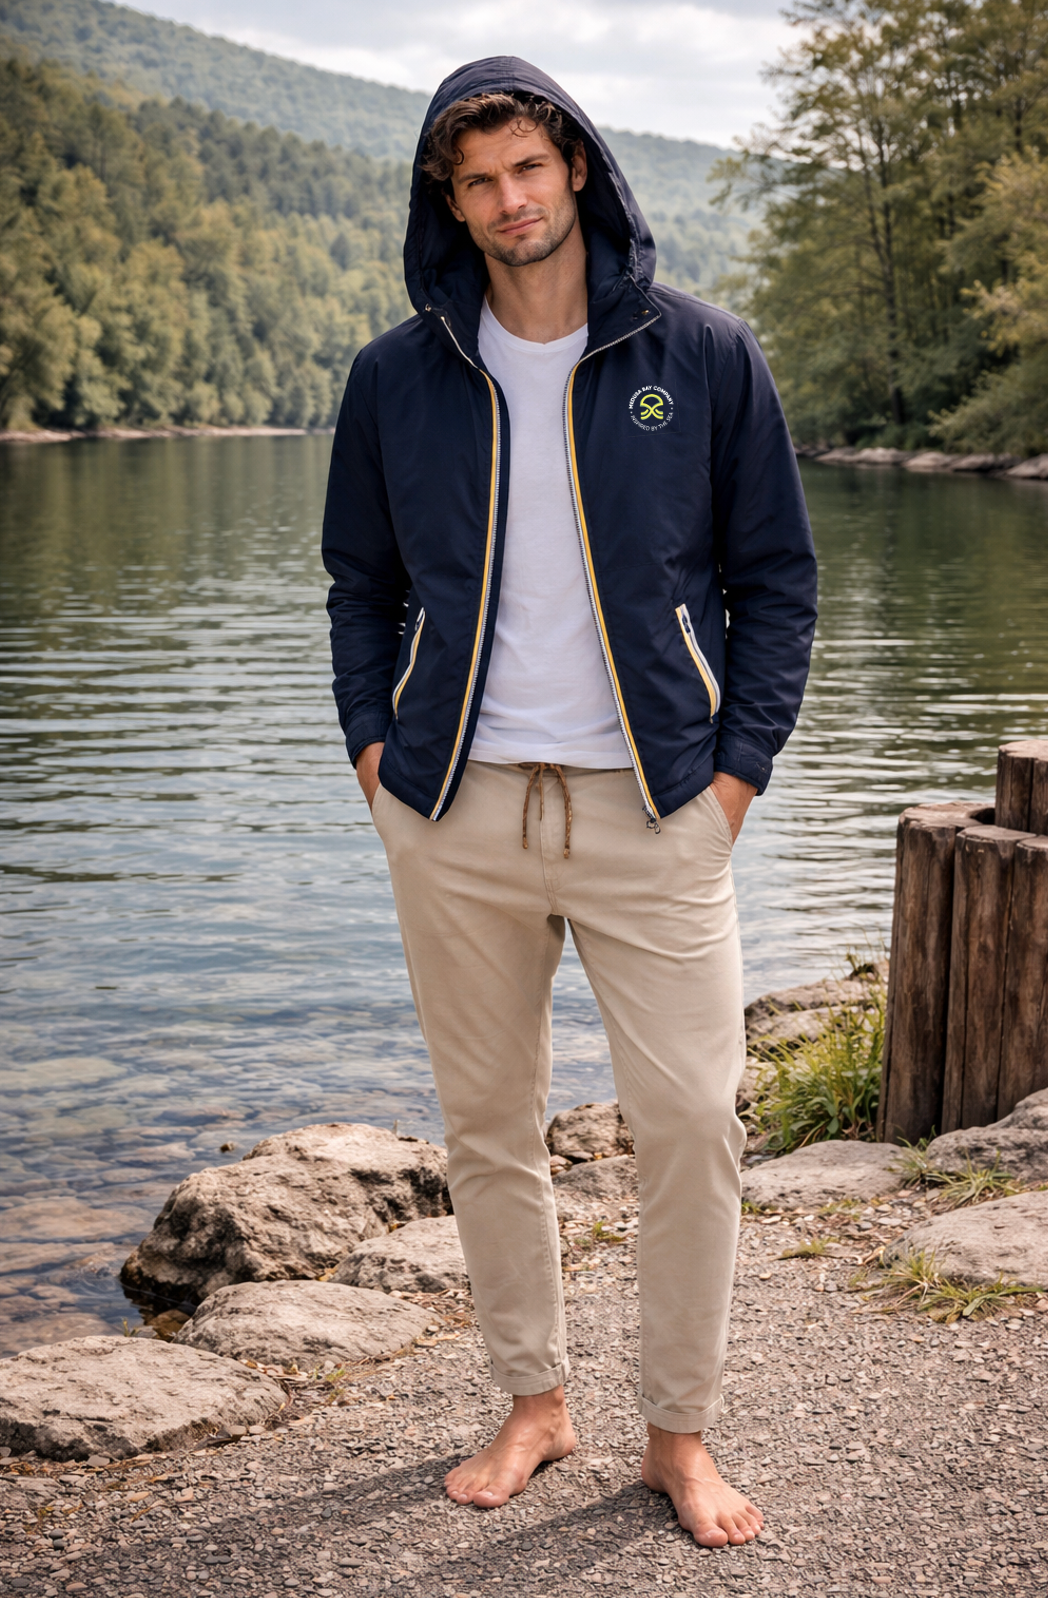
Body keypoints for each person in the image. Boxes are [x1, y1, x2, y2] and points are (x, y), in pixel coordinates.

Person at [322, 56, 817, 1548]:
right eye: (477, 181)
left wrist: (734, 780)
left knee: (692, 1121)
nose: (508, 200)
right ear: (450, 200)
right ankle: (533, 1402)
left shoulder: (703, 352)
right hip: (455, 810)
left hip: (657, 806)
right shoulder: (396, 378)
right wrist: (377, 761)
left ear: (578, 167)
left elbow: (777, 581)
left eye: (528, 168)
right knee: (490, 1126)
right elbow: (359, 587)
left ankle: (679, 1432)